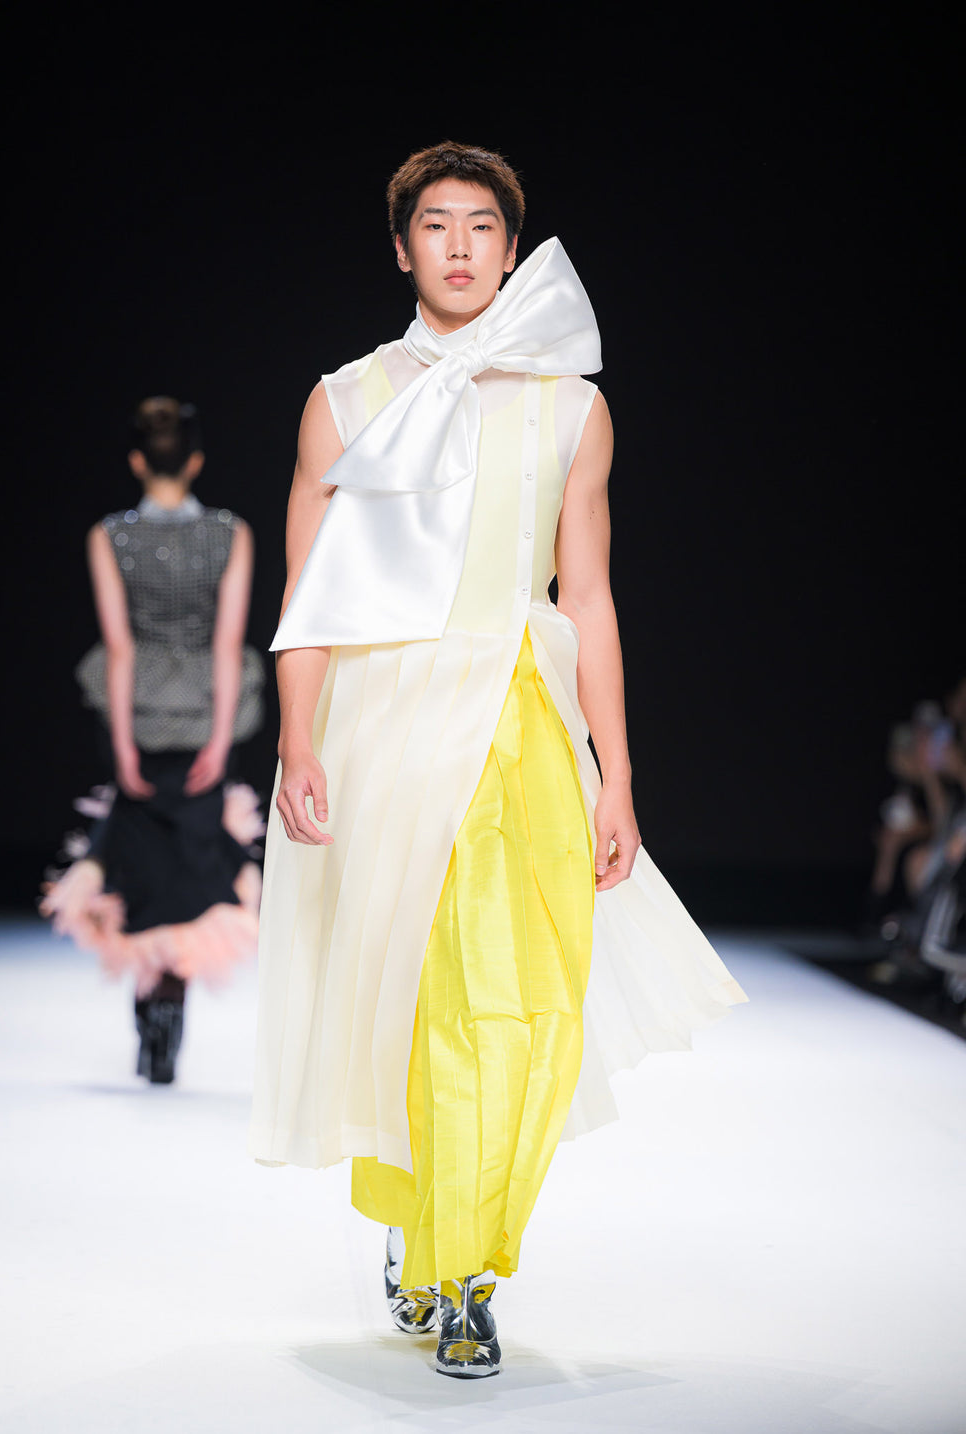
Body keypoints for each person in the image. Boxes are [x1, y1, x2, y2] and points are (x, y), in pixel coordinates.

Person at [249, 142, 748, 1377]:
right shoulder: (343, 401)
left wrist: (616, 771)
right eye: (436, 224)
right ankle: (435, 1241)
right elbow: (309, 594)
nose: (460, 245)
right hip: (384, 721)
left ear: (512, 250)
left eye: (482, 225)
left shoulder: (573, 407)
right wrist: (298, 736)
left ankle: (464, 1259)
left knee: (525, 1000)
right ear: (401, 247)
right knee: (415, 994)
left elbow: (590, 596)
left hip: (521, 719)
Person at [41, 397, 265, 1084]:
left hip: (137, 714)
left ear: (138, 461)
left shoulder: (110, 535)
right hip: (204, 715)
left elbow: (119, 647)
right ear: (195, 461)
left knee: (139, 861)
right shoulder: (231, 533)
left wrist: (123, 745)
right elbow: (227, 644)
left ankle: (152, 1008)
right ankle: (169, 1003)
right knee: (193, 863)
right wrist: (221, 739)